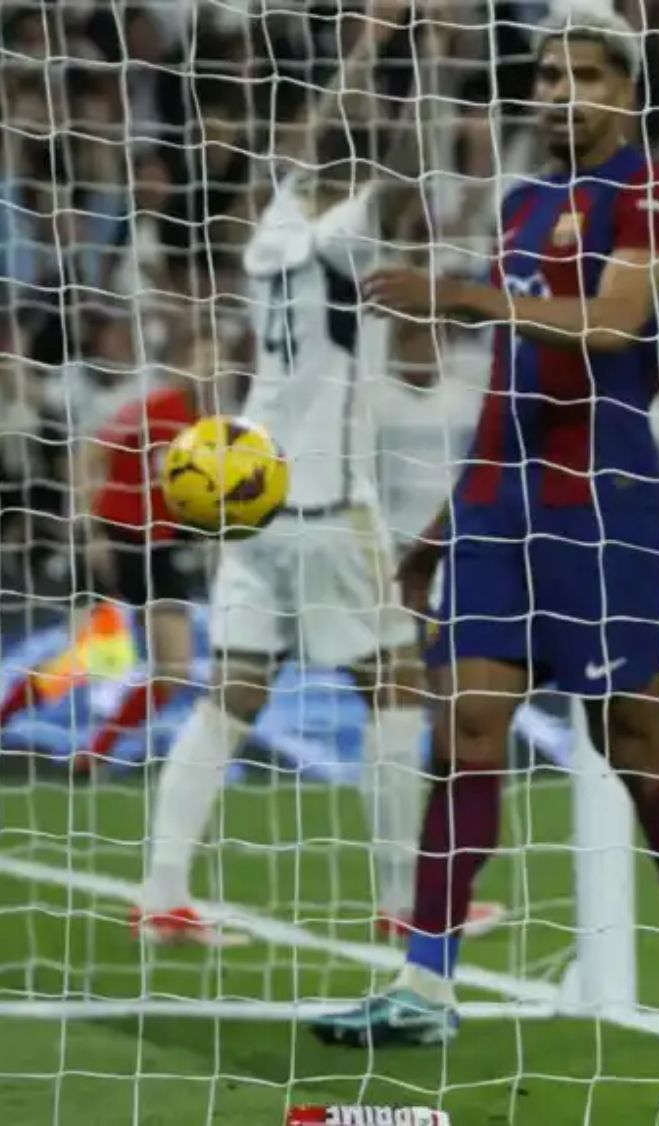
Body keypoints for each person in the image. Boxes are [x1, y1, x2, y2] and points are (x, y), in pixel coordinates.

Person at [310, 7, 659, 1047]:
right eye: (545, 76)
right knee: (462, 734)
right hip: (502, 501)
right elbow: (506, 385)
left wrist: (455, 296)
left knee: (633, 739)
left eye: (581, 74)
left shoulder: (653, 190)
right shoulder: (520, 205)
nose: (557, 92)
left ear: (622, 89)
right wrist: (447, 523)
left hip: (601, 501)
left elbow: (612, 324)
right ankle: (424, 985)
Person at [132, 4, 505, 947]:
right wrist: (425, 47)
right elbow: (390, 160)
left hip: (247, 501)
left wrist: (371, 39)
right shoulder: (344, 242)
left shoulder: (275, 228)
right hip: (328, 504)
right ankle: (402, 902)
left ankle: (163, 894)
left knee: (234, 694)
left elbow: (325, 140)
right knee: (393, 685)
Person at [71, 327, 212, 774]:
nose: (211, 371)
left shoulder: (208, 427)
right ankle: (88, 749)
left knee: (172, 669)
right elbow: (90, 453)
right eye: (202, 360)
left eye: (220, 362)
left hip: (160, 547)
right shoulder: (156, 408)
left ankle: (94, 754)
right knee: (89, 660)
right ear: (181, 364)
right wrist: (90, 530)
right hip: (121, 538)